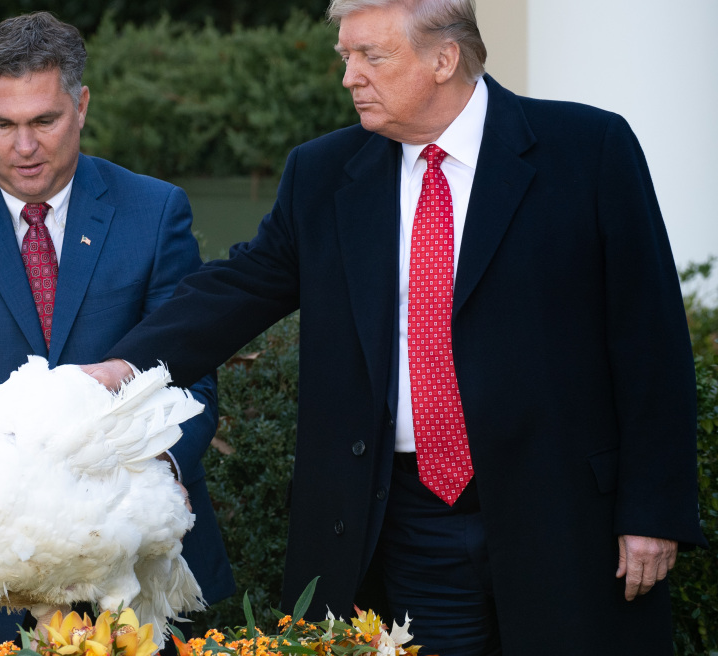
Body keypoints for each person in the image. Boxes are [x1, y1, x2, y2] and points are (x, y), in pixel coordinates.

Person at [82, 0, 705, 653]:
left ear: (444, 59)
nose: (349, 76)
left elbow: (650, 341)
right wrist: (126, 366)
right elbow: (241, 285)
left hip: (565, 515)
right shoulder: (323, 173)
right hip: (407, 523)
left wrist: (653, 511)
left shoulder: (587, 150)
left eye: (371, 56)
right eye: (345, 56)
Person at [0, 11, 234, 651]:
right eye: (1, 124)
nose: (24, 146)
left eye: (44, 121)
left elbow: (188, 378)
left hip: (136, 559)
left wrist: (155, 478)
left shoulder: (154, 213)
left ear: (82, 105)